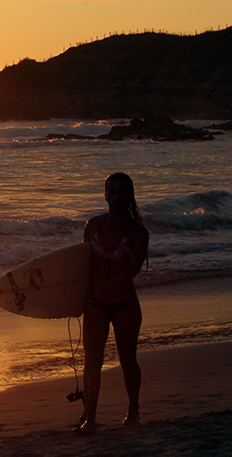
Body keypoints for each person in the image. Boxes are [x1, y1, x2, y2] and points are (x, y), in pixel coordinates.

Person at [74, 172, 148, 435]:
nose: (116, 197)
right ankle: (90, 418)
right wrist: (70, 299)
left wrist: (114, 283)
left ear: (130, 195)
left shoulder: (139, 231)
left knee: (128, 359)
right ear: (105, 195)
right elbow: (81, 264)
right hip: (94, 303)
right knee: (92, 361)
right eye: (111, 192)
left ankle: (134, 410)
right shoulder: (92, 225)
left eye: (121, 192)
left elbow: (134, 268)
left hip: (125, 303)